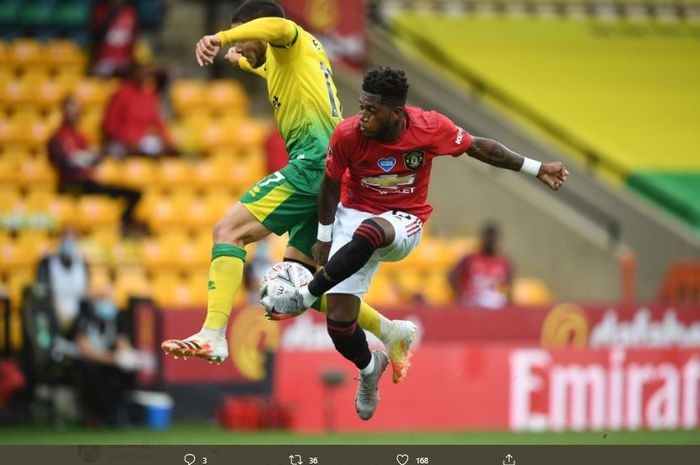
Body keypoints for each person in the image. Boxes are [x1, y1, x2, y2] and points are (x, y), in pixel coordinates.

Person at [265, 66, 569, 420]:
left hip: (403, 221)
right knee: (339, 324)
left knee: (371, 233)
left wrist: (537, 168)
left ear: (396, 113)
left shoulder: (430, 127)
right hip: (353, 215)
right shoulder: (348, 134)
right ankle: (369, 368)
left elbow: (480, 148)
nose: (362, 116)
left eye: (371, 110)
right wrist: (324, 237)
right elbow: (330, 184)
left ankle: (304, 296)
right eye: (361, 106)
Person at [161, 0, 417, 385]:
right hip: (330, 173)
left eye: (248, 35)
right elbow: (273, 67)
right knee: (303, 283)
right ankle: (389, 332)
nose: (245, 43)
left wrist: (222, 36)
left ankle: (213, 334)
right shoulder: (298, 59)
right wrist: (244, 59)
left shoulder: (291, 36)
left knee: (228, 232)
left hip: (312, 164)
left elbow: (277, 31)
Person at [48, 96, 142, 231]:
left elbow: (94, 158)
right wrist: (88, 157)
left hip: (88, 182)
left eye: (76, 110)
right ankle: (122, 228)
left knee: (133, 193)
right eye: (70, 110)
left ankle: (124, 226)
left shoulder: (81, 136)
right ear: (63, 112)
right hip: (71, 184)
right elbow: (66, 161)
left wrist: (95, 156)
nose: (74, 114)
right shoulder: (58, 137)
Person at [73, 289, 140, 426]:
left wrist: (128, 357)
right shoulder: (85, 318)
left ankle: (115, 413)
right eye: (104, 299)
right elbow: (85, 350)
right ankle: (94, 415)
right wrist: (113, 359)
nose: (108, 303)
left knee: (125, 373)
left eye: (110, 300)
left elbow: (123, 343)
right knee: (92, 373)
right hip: (89, 363)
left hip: (108, 363)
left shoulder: (117, 318)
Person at [102, 62, 172, 158]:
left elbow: (157, 120)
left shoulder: (150, 94)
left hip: (142, 140)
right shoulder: (122, 93)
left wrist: (166, 140)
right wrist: (127, 140)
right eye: (143, 73)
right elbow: (110, 124)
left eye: (148, 75)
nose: (146, 77)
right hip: (121, 141)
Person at [448, 223, 513, 309]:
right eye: (489, 239)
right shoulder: (470, 259)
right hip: (472, 298)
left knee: (498, 300)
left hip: (493, 300)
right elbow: (452, 276)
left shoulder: (503, 263)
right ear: (483, 238)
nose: (491, 242)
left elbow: (509, 286)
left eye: (493, 239)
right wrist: (460, 295)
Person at [90, 0, 139, 77]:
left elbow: (133, 40)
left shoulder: (131, 12)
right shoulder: (100, 11)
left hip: (125, 65)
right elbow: (96, 39)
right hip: (104, 64)